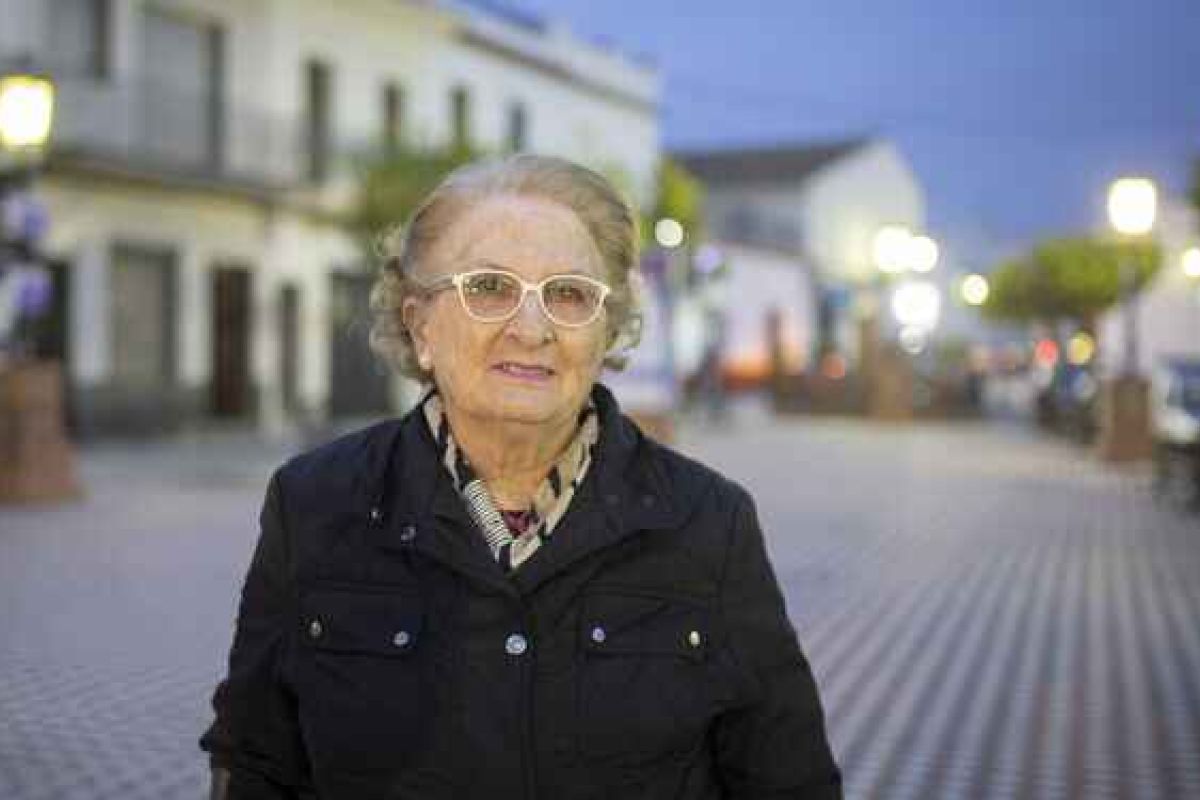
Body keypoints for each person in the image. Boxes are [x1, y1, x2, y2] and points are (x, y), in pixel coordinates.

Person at [200, 154, 841, 799]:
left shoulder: (709, 522)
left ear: (606, 331)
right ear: (419, 323)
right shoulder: (314, 505)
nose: (531, 328)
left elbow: (790, 782)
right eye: (488, 287)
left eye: (568, 294)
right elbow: (257, 763)